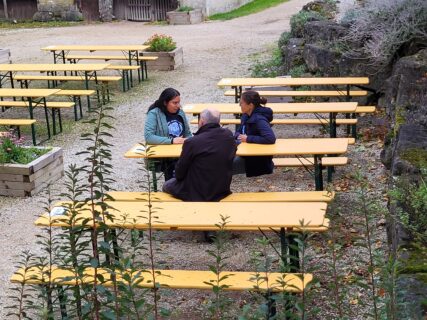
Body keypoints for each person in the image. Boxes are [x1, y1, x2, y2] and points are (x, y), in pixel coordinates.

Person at [162, 108, 237, 201]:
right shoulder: (228, 135)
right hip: (221, 189)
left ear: (201, 121)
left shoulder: (192, 142)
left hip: (197, 192)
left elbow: (179, 173)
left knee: (167, 185)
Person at [144, 88, 192, 180]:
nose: (178, 106)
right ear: (165, 102)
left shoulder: (180, 113)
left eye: (179, 102)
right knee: (174, 166)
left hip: (181, 152)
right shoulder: (154, 114)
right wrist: (172, 141)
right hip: (165, 156)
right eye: (175, 103)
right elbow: (148, 137)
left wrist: (189, 141)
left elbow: (188, 134)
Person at [233, 90, 276, 177]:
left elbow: (270, 138)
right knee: (219, 161)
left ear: (250, 105)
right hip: (245, 154)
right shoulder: (246, 116)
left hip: (256, 161)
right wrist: (238, 135)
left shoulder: (259, 119)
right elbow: (238, 131)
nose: (239, 105)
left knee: (222, 167)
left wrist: (248, 138)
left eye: (241, 103)